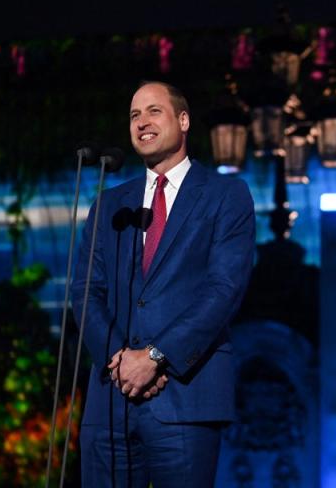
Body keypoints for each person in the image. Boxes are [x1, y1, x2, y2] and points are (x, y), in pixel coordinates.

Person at [72, 81, 255, 487]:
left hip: (186, 398)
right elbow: (85, 291)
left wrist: (155, 356)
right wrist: (121, 360)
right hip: (110, 402)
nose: (142, 122)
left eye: (154, 111)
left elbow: (223, 290)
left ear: (183, 120)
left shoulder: (226, 195)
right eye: (135, 115)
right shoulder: (109, 205)